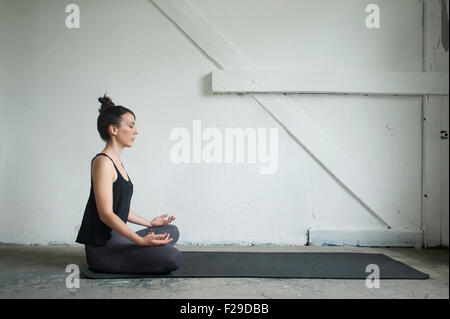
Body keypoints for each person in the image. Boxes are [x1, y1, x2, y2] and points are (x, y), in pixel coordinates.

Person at [76, 94, 182, 274]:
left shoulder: (117, 163)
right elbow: (106, 214)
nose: (136, 131)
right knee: (173, 257)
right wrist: (139, 240)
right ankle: (132, 248)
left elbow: (118, 209)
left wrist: (149, 223)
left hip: (120, 238)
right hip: (104, 250)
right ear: (113, 130)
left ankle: (131, 245)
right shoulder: (103, 163)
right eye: (131, 126)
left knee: (171, 230)